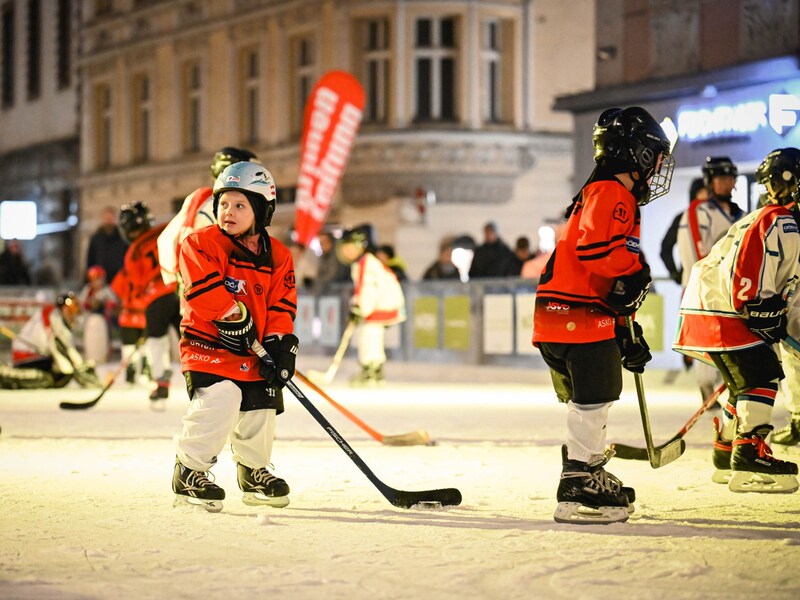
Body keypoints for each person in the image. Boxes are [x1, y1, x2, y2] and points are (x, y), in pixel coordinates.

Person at [532, 106, 675, 524]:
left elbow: (604, 277)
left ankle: (589, 468)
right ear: (639, 154)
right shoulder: (612, 193)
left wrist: (623, 328)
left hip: (570, 314)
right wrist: (635, 272)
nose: (658, 168)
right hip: (575, 316)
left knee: (598, 391)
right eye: (656, 156)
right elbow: (597, 252)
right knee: (594, 397)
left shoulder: (600, 192)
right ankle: (578, 480)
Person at [172, 161, 298, 512]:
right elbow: (202, 288)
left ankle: (253, 471)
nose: (228, 211)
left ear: (261, 210)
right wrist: (232, 316)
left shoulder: (280, 257)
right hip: (206, 344)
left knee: (263, 400)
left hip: (252, 350)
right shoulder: (200, 242)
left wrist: (279, 344)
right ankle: (189, 470)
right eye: (224, 203)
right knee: (222, 398)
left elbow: (282, 305)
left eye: (240, 205)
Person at [673, 147, 800, 494]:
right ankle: (749, 455)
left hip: (710, 308)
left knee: (743, 383)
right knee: (762, 374)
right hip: (726, 310)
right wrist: (757, 305)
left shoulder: (760, 215)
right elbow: (750, 264)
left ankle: (726, 451)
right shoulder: (780, 220)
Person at [677, 157, 746, 406]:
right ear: (709, 181)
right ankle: (706, 387)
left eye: (730, 178)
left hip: (734, 290)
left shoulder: (742, 215)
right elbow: (693, 252)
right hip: (706, 288)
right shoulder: (698, 211)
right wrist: (705, 280)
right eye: (721, 178)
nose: (727, 183)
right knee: (707, 341)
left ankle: (729, 386)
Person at [158, 147, 259, 303]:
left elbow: (165, 240)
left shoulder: (202, 200)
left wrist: (177, 279)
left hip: (194, 285)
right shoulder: (227, 208)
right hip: (215, 290)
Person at [111, 201, 181, 407]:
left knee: (157, 342)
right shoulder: (165, 230)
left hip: (155, 299)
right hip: (178, 290)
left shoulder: (133, 252)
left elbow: (138, 283)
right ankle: (203, 375)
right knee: (190, 338)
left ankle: (161, 383)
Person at [336, 224, 406, 387]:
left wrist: (360, 308)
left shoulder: (365, 262)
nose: (346, 252)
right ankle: (375, 371)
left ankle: (370, 371)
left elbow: (367, 288)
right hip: (385, 304)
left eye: (349, 247)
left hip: (381, 304)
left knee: (368, 335)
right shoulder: (366, 262)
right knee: (373, 336)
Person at [0, 292, 102, 389]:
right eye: (72, 309)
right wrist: (78, 366)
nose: (74, 314)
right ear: (65, 309)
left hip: (39, 354)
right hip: (29, 355)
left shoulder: (55, 316)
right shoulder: (54, 316)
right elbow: (62, 347)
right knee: (48, 377)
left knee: (59, 373)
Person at [659, 178, 707, 285]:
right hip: (690, 282)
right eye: (702, 192)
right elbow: (665, 247)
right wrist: (675, 273)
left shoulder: (718, 217)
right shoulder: (683, 219)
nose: (706, 196)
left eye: (708, 192)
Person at [78, 265, 119, 364]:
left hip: (103, 319)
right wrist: (88, 304)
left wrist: (107, 305)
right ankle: (89, 354)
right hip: (90, 319)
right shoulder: (88, 290)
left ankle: (107, 353)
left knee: (106, 335)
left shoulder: (106, 290)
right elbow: (81, 302)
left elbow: (113, 302)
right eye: (94, 280)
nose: (96, 282)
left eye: (98, 279)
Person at [86, 206, 129, 283]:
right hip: (100, 281)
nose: (108, 221)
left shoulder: (123, 238)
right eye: (106, 218)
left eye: (110, 218)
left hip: (119, 280)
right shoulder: (96, 239)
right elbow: (90, 260)